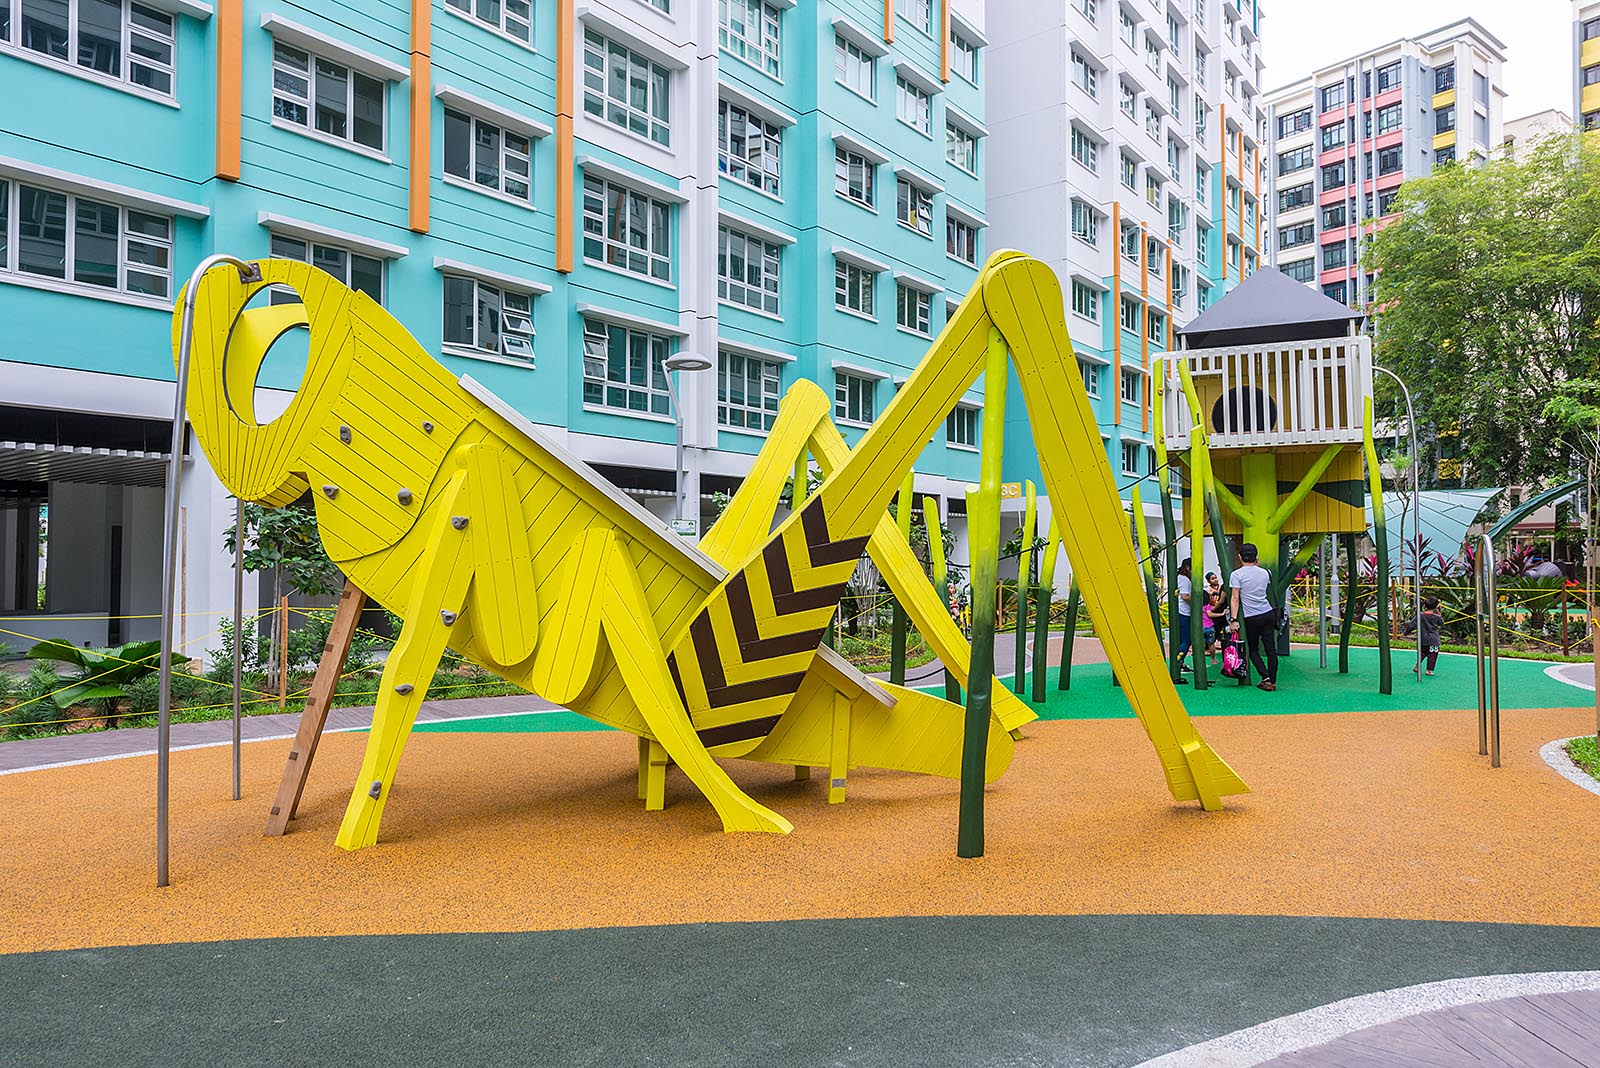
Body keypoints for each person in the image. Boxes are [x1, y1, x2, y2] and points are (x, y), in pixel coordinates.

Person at [1228, 542, 1278, 691]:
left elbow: (1235, 598)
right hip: (1268, 613)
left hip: (1252, 616)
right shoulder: (1266, 573)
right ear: (1256, 557)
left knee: (1253, 649)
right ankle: (1273, 681)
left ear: (1239, 557)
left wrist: (1233, 619)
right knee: (1271, 650)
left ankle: (1265, 677)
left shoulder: (1236, 575)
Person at [1404, 595, 1443, 676]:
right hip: (1433, 640)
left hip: (1422, 638)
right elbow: (1441, 623)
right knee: (1432, 654)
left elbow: (1411, 625)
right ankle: (1429, 670)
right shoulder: (1437, 617)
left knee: (1422, 653)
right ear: (1436, 607)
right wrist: (1439, 614)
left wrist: (1406, 632)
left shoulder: (1420, 615)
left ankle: (1417, 666)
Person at [1174, 558, 1194, 673]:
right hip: (1184, 612)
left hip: (1181, 612)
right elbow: (1185, 596)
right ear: (1187, 567)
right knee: (1186, 639)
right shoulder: (1185, 580)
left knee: (1183, 639)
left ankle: (1179, 662)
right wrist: (1197, 601)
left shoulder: (1179, 578)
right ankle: (1179, 663)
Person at [1202, 572, 1226, 661]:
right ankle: (1212, 657)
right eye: (1212, 578)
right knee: (1211, 639)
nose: (1215, 579)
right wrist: (1214, 609)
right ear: (1208, 581)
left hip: (1215, 612)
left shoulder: (1220, 587)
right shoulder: (1208, 590)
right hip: (1213, 611)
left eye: (1215, 577)